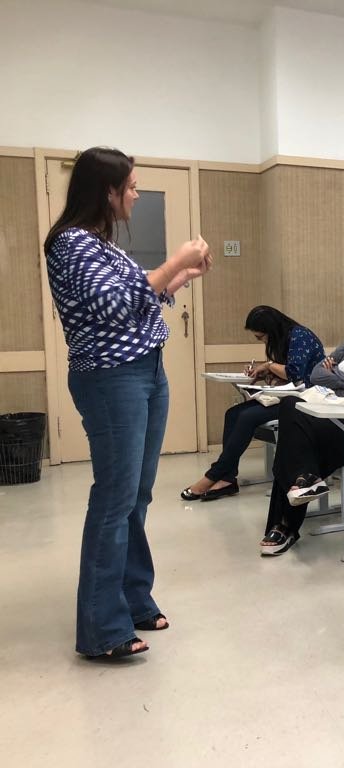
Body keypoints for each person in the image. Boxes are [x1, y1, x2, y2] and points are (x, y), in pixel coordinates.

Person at [44, 147, 212, 658]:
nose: (136, 195)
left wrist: (178, 279)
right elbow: (113, 306)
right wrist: (173, 261)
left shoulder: (101, 244)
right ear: (108, 190)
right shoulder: (71, 242)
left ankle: (134, 597)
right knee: (115, 499)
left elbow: (136, 299)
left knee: (136, 495)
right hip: (111, 378)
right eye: (132, 186)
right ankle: (102, 629)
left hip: (145, 373)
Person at [259, 299, 344, 556]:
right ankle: (305, 479)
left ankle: (283, 526)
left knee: (294, 446)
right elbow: (315, 376)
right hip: (327, 413)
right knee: (290, 406)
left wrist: (334, 383)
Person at [182, 306, 324, 502]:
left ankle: (214, 474)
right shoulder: (285, 338)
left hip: (305, 400)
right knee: (233, 414)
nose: (262, 341)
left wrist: (268, 365)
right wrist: (265, 375)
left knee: (247, 417)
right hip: (287, 396)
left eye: (261, 337)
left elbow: (294, 373)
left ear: (272, 330)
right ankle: (227, 479)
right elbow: (284, 379)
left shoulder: (300, 336)